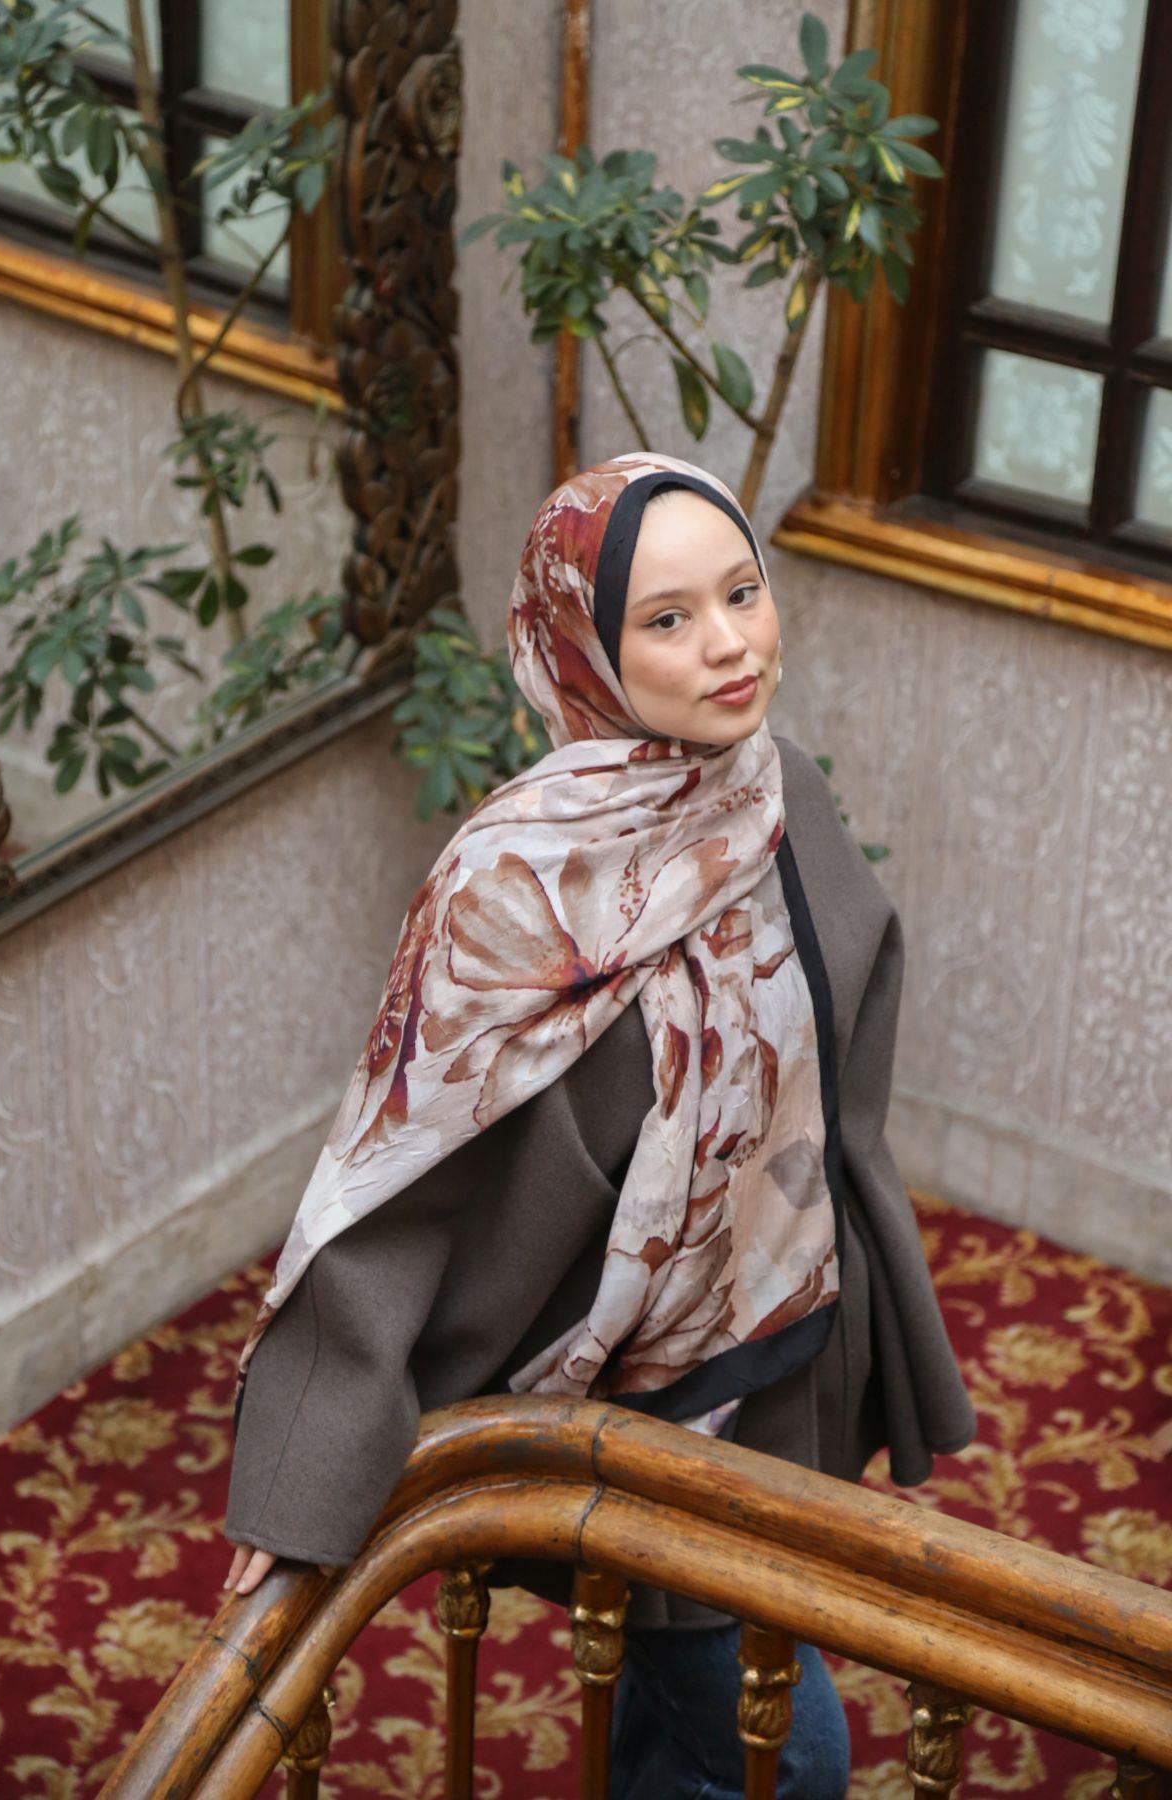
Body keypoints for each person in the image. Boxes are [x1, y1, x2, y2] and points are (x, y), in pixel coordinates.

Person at [221, 451, 978, 1799]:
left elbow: (838, 1060)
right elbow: (400, 1179)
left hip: (790, 1338)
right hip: (637, 1407)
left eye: (742, 592)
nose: (731, 643)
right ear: (582, 646)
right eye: (669, 619)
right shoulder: (515, 884)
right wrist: (305, 1472)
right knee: (788, 1759)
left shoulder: (778, 791)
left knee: (681, 1720)